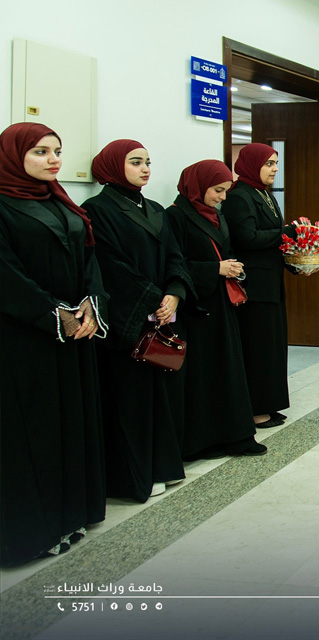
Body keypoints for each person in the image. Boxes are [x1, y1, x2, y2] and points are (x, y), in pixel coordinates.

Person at [0, 122, 107, 565]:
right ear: (13, 155)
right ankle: (32, 532)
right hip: (24, 338)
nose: (53, 159)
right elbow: (5, 273)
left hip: (73, 334)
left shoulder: (61, 200)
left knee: (70, 423)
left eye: (57, 151)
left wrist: (91, 305)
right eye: (41, 152)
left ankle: (70, 515)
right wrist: (54, 313)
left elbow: (90, 258)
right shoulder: (3, 204)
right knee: (34, 430)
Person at [82, 139, 195, 501]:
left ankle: (163, 466)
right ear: (113, 166)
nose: (145, 169)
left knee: (161, 396)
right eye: (135, 162)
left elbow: (176, 257)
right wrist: (152, 299)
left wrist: (174, 292)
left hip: (161, 314)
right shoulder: (97, 210)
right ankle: (135, 477)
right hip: (127, 320)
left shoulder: (156, 209)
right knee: (130, 399)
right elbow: (111, 267)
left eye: (147, 162)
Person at [167, 160, 267, 458]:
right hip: (196, 307)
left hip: (222, 303)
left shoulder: (215, 215)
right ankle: (203, 442)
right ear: (198, 186)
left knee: (228, 370)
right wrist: (215, 269)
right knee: (203, 375)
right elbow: (173, 264)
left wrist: (234, 267)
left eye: (225, 191)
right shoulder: (175, 216)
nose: (222, 197)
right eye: (217, 190)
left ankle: (234, 436)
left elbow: (226, 251)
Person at [222, 143, 297, 428]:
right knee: (257, 347)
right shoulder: (239, 196)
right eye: (269, 164)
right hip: (253, 286)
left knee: (273, 346)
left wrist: (295, 261)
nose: (275, 169)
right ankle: (255, 409)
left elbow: (273, 239)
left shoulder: (264, 194)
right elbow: (248, 238)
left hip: (271, 282)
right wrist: (286, 233)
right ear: (253, 165)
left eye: (276, 163)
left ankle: (269, 402)